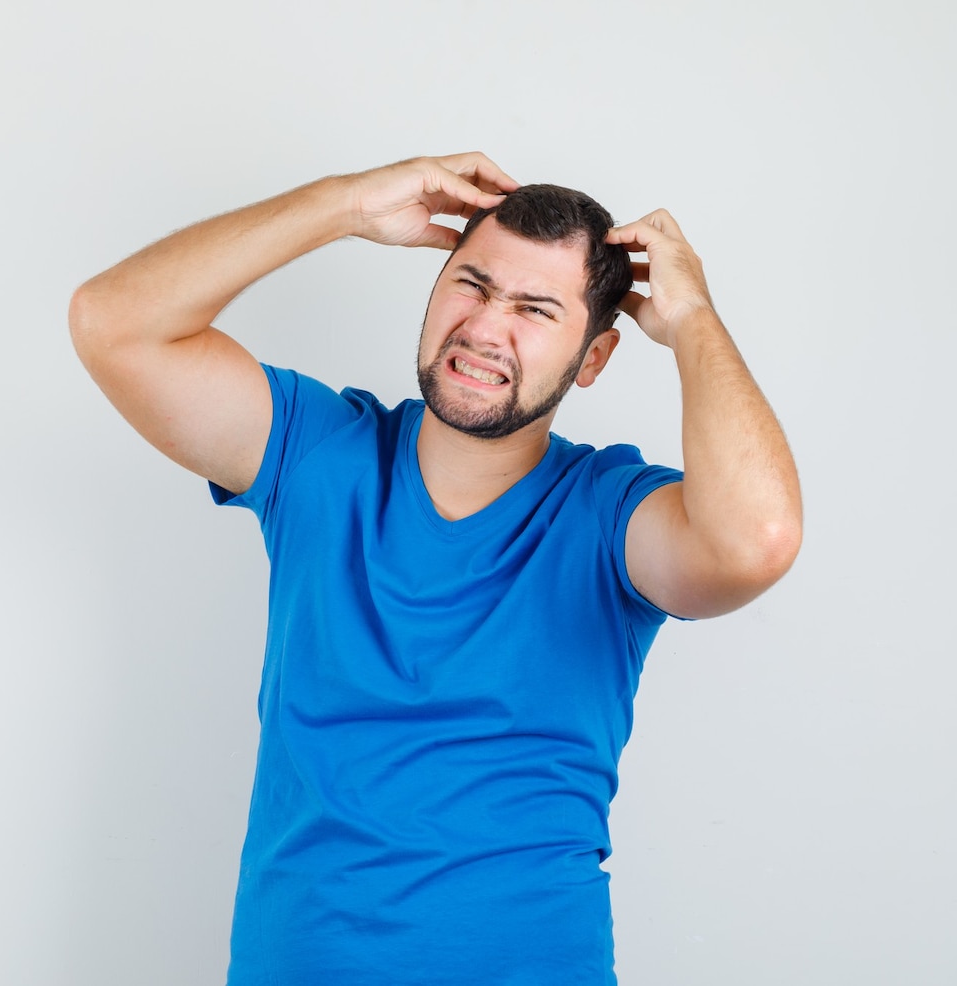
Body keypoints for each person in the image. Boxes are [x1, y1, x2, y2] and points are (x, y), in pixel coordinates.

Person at [67, 152, 802, 985]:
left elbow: (757, 539)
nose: (487, 328)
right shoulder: (318, 452)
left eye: (535, 309)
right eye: (473, 285)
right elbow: (112, 323)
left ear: (592, 359)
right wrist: (339, 202)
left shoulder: (608, 515)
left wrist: (694, 317)